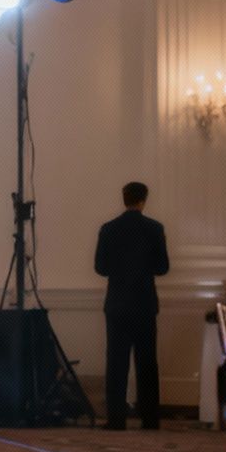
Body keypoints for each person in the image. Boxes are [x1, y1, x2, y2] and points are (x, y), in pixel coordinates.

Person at [94, 181, 170, 430]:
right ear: (143, 200)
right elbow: (162, 267)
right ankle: (150, 418)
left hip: (117, 303)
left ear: (123, 198)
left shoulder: (108, 229)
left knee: (116, 362)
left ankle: (116, 419)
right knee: (147, 361)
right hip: (144, 303)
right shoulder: (154, 228)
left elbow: (101, 268)